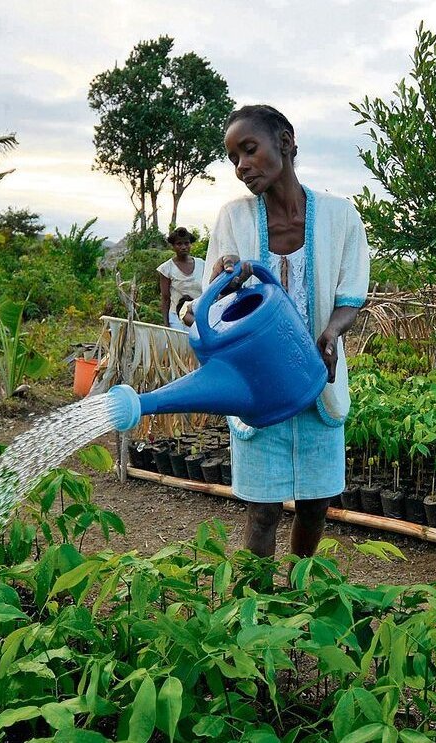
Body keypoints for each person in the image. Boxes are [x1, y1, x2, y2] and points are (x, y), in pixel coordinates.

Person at [202, 104, 370, 560]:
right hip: (260, 389)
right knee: (262, 511)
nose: (241, 167)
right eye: (234, 158)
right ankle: (258, 608)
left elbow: (351, 294)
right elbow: (213, 302)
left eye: (249, 150)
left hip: (319, 381)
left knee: (316, 506)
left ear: (286, 141)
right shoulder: (233, 218)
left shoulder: (339, 216)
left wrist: (331, 333)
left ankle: (299, 592)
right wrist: (224, 278)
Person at [156, 227, 205, 331]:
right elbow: (165, 298)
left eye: (186, 243)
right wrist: (166, 324)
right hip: (177, 318)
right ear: (173, 246)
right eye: (179, 244)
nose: (183, 247)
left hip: (199, 314)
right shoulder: (166, 268)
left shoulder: (202, 264)